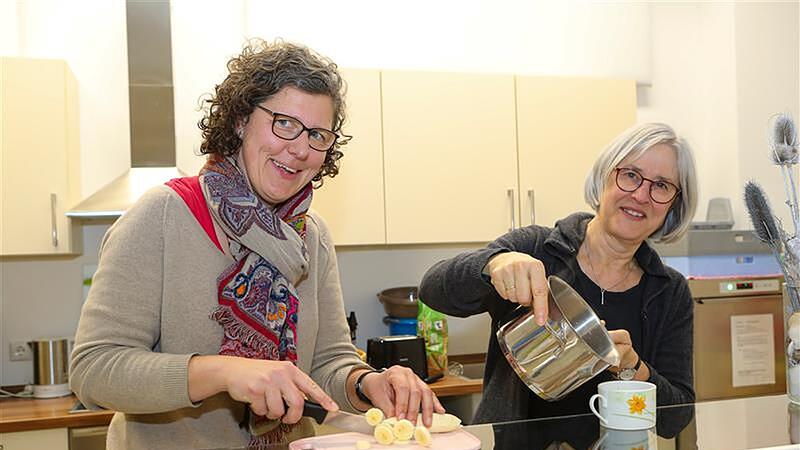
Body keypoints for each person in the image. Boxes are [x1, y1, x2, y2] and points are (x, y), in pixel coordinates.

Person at [70, 39, 443, 450]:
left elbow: (327, 363)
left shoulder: (310, 235)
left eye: (318, 134)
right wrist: (225, 372)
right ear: (240, 120)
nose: (300, 149)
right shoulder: (162, 215)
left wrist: (367, 382)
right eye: (284, 122)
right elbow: (94, 369)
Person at [419, 122, 698, 423]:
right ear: (605, 177)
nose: (642, 195)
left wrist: (633, 368)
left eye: (661, 186)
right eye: (630, 175)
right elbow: (432, 290)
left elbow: (677, 418)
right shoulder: (536, 247)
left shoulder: (669, 291)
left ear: (673, 205)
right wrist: (493, 264)